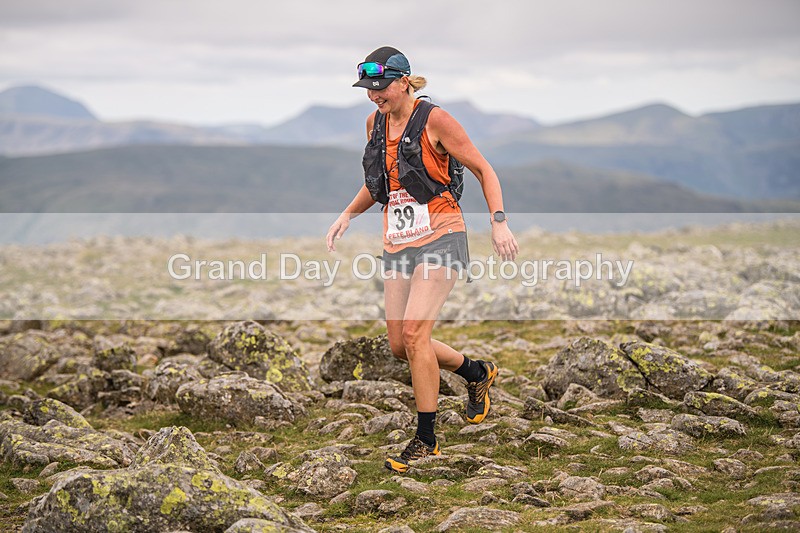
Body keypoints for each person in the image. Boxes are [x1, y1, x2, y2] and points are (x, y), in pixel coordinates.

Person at [326, 46, 518, 474]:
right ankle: (476, 372)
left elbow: (486, 169)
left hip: (442, 234)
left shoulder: (436, 120)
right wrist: (347, 214)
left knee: (415, 333)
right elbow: (381, 184)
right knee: (401, 345)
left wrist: (499, 221)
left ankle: (426, 439)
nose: (374, 95)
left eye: (381, 87)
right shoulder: (374, 123)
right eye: (367, 89)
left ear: (405, 81)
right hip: (398, 241)